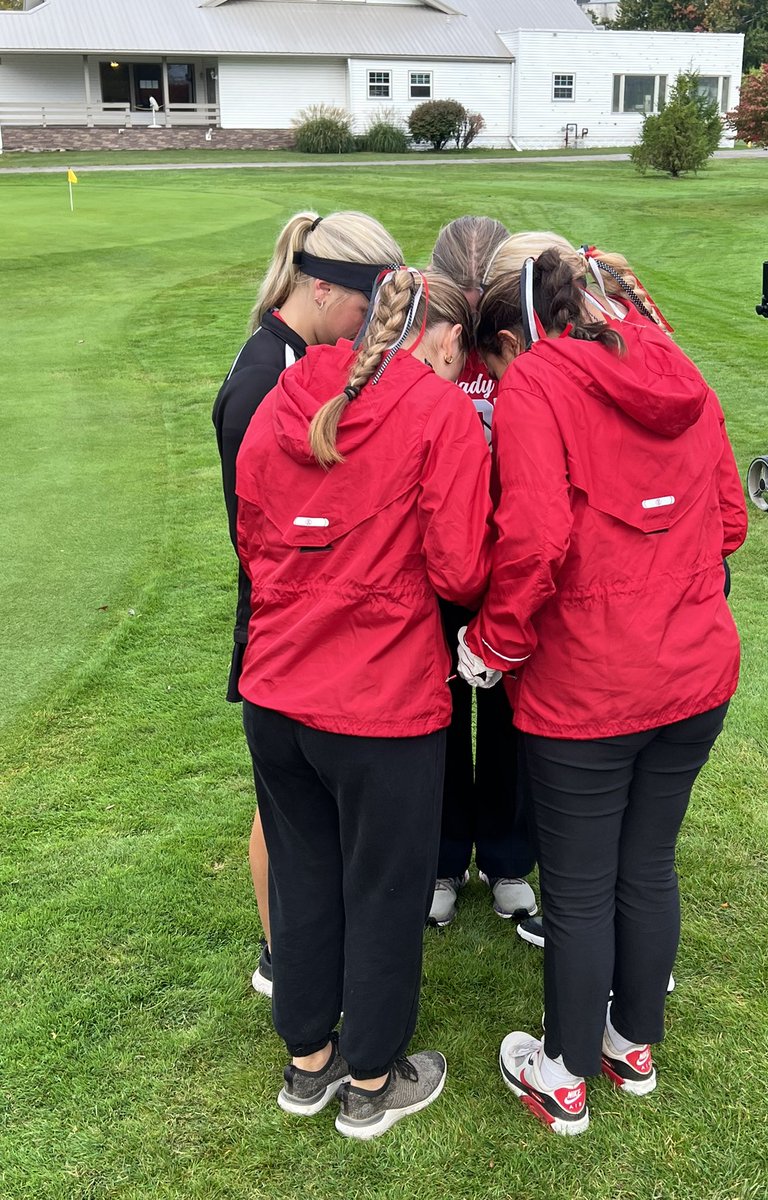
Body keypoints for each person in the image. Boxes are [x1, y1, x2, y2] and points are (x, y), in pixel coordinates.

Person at [457, 242, 747, 1135]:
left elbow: (537, 536)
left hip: (588, 687)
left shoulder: (539, 384)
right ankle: (629, 1043)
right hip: (693, 671)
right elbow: (729, 521)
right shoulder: (675, 364)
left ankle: (568, 1073)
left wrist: (490, 644)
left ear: (523, 329)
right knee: (645, 864)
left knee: (583, 887)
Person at [235, 267, 493, 1138]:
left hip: (279, 693)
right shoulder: (440, 414)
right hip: (380, 706)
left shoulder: (282, 394)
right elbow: (461, 571)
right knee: (383, 890)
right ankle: (374, 1079)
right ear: (445, 336)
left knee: (307, 873)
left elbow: (252, 534)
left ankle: (309, 1061)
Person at [212, 210, 403, 996]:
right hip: (279, 617)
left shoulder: (301, 351)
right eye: (367, 310)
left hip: (299, 611)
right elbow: (265, 527)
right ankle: (280, 951)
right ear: (323, 288)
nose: (372, 331)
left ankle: (299, 943)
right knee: (280, 809)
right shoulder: (265, 376)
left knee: (296, 805)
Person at [426, 215, 537, 926]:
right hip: (436, 564)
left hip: (511, 562)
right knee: (436, 711)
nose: (470, 308)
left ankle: (504, 856)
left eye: (481, 294)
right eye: (459, 297)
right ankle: (440, 857)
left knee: (507, 717)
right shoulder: (425, 346)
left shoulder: (513, 346)